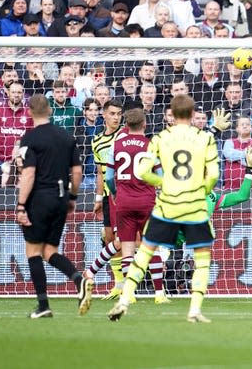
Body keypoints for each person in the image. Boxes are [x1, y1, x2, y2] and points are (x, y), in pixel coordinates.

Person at [108, 93, 220, 323]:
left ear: (172, 113)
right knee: (202, 259)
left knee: (145, 252)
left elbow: (144, 173)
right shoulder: (204, 139)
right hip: (194, 204)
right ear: (191, 114)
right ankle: (195, 309)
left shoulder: (159, 138)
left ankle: (125, 300)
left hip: (167, 204)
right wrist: (202, 187)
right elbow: (214, 176)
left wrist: (164, 183)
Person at [16, 94, 94, 318]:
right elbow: (77, 172)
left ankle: (43, 306)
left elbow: (29, 173)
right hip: (61, 198)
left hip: (39, 199)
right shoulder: (66, 136)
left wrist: (21, 205)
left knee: (33, 251)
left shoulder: (29, 139)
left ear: (29, 112)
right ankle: (79, 280)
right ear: (50, 110)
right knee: (50, 251)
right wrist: (72, 198)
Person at [103, 108, 170, 304]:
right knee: (152, 248)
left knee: (127, 249)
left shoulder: (115, 146)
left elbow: (108, 178)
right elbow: (161, 176)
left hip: (123, 202)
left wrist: (116, 193)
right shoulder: (151, 146)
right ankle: (159, 294)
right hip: (146, 202)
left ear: (126, 125)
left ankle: (129, 294)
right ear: (144, 124)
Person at [89, 99, 124, 299]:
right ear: (103, 115)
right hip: (107, 197)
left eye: (119, 113)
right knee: (109, 238)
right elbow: (101, 173)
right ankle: (119, 284)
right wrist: (97, 197)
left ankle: (132, 283)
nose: (116, 117)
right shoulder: (97, 141)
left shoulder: (125, 136)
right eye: (112, 113)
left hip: (125, 194)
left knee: (126, 240)